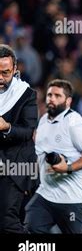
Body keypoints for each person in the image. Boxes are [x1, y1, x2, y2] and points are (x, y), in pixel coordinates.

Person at [25, 79, 82, 233]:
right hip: (46, 193)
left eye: (57, 95)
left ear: (68, 101)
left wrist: (69, 168)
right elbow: (39, 154)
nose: (51, 98)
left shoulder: (74, 122)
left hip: (72, 198)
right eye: (49, 95)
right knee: (31, 228)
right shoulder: (44, 120)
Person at [0, 44, 38, 233]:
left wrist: (6, 127)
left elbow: (28, 131)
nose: (0, 78)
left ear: (15, 70)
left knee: (7, 222)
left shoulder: (26, 95)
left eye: (5, 73)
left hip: (13, 166)